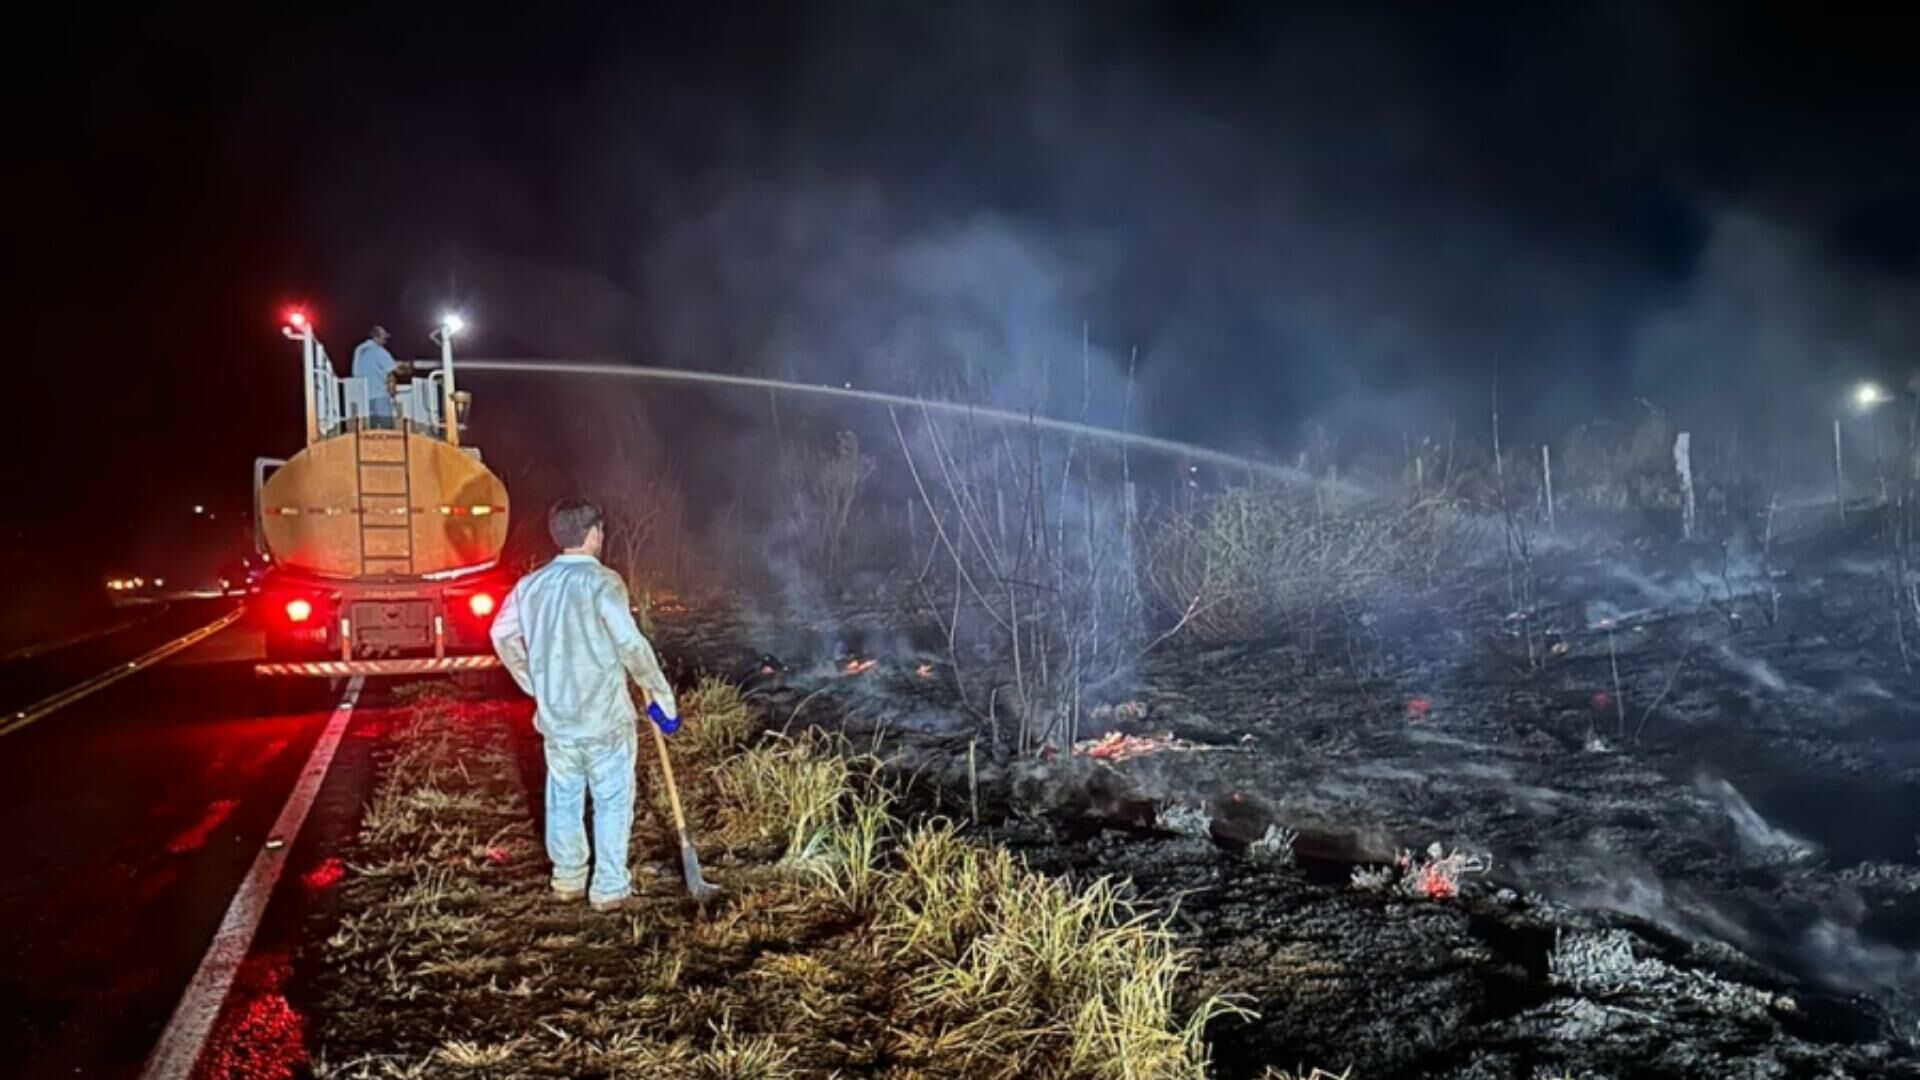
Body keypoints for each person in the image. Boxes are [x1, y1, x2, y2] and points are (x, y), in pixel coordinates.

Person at [489, 498, 680, 912]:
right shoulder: (603, 583)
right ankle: (609, 888)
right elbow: (630, 644)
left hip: (557, 720)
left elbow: (501, 635)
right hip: (604, 718)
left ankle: (568, 878)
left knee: (564, 796)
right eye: (601, 531)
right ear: (594, 533)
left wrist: (532, 680)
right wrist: (661, 696)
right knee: (612, 798)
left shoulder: (531, 586)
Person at [351, 325, 399, 428]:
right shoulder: (379, 351)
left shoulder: (359, 349)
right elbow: (394, 369)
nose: (385, 340)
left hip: (363, 398)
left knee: (370, 432)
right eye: (383, 337)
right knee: (387, 430)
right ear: (376, 337)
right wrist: (409, 367)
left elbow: (355, 372)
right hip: (379, 395)